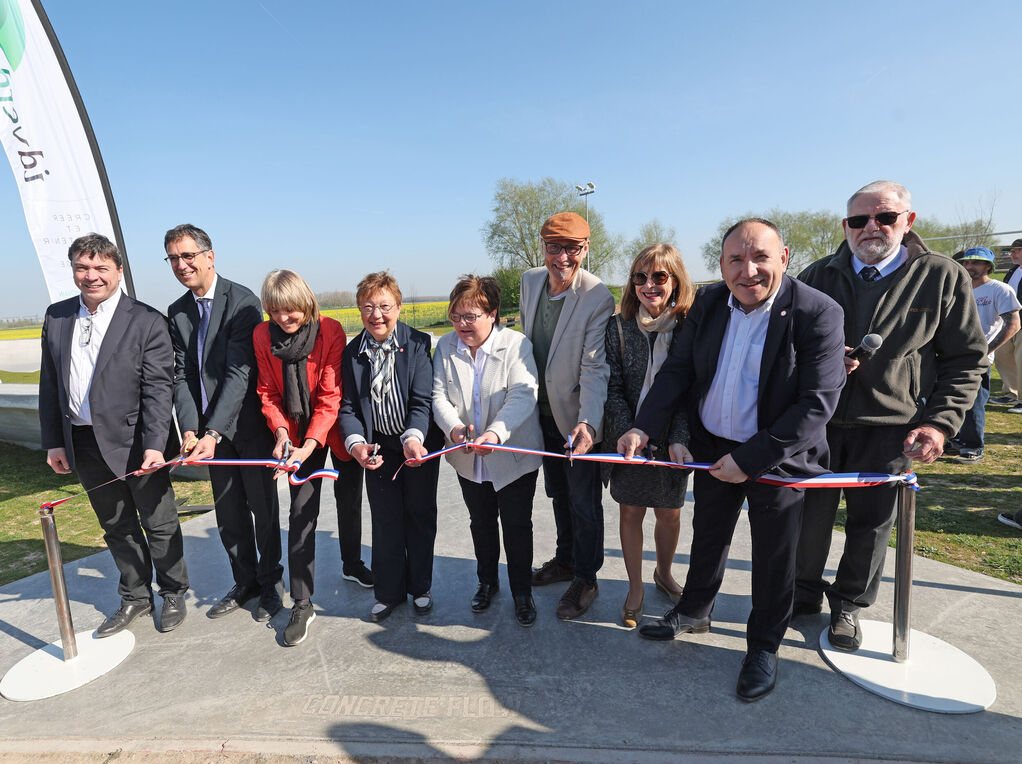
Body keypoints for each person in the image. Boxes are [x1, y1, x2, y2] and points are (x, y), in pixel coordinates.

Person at [618, 219, 845, 701]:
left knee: (772, 556)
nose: (748, 270)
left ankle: (763, 645)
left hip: (779, 459)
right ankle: (695, 609)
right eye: (736, 260)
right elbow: (678, 371)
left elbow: (817, 403)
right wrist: (642, 425)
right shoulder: (706, 302)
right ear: (721, 264)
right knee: (709, 535)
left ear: (784, 256)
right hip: (714, 448)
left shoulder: (817, 313)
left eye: (760, 257)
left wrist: (751, 459)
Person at [794, 181, 987, 652]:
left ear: (909, 221)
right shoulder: (816, 275)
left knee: (872, 525)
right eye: (859, 220)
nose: (871, 228)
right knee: (806, 519)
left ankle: (848, 605)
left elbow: (967, 360)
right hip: (818, 423)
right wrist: (817, 364)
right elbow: (786, 350)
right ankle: (799, 595)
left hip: (891, 429)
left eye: (885, 217)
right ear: (846, 226)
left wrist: (939, 423)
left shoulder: (942, 276)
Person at [39, 233, 189, 637]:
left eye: (101, 268)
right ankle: (136, 596)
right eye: (83, 268)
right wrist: (55, 440)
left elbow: (159, 390)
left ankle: (173, 591)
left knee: (158, 521)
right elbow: (50, 384)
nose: (92, 276)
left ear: (118, 272)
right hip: (83, 440)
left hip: (138, 441)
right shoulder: (56, 317)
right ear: (73, 271)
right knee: (115, 523)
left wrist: (156, 445)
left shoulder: (145, 320)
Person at [165, 224, 284, 623]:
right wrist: (189, 430)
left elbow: (238, 373)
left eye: (188, 256)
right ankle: (245, 581)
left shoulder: (243, 302)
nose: (182, 265)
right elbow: (180, 375)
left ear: (209, 256)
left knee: (262, 511)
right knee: (228, 513)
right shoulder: (178, 311)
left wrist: (213, 431)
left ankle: (271, 584)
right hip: (206, 434)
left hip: (246, 429)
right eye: (174, 258)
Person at [253, 270, 369, 646]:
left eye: (292, 310)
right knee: (301, 512)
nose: (285, 319)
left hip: (335, 431)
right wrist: (283, 433)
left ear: (306, 304)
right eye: (275, 311)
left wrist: (313, 440)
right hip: (294, 437)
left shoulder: (330, 331)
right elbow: (267, 392)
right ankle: (302, 601)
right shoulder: (261, 336)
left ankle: (352, 564)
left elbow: (330, 395)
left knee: (349, 502)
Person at [432, 275, 543, 627]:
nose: (462, 324)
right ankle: (487, 582)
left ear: (493, 314)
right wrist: (454, 428)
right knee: (480, 522)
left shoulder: (516, 345)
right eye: (456, 316)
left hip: (512, 456)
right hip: (467, 457)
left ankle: (522, 592)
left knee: (516, 525)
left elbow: (523, 394)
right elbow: (438, 397)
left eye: (471, 316)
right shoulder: (446, 348)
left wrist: (495, 434)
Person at [521, 212, 615, 620]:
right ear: (542, 246)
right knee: (558, 493)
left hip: (576, 419)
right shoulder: (529, 281)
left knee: (583, 501)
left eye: (572, 248)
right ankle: (565, 559)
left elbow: (596, 367)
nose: (562, 257)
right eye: (554, 247)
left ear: (586, 248)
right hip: (537, 414)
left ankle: (587, 578)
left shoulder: (597, 297)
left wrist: (589, 422)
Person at [339, 271, 443, 622]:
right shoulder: (353, 353)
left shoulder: (417, 344)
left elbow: (421, 401)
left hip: (416, 442)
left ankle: (420, 587)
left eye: (384, 306)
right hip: (378, 447)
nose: (376, 315)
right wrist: (356, 445)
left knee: (420, 515)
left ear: (398, 308)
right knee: (385, 520)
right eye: (368, 307)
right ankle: (388, 592)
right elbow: (349, 407)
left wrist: (414, 437)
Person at [602, 243, 695, 627]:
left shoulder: (691, 325)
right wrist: (628, 432)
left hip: (675, 439)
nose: (649, 285)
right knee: (631, 511)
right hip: (628, 441)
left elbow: (694, 388)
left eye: (659, 276)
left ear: (675, 280)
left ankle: (664, 572)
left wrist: (678, 435)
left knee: (670, 513)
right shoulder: (619, 325)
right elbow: (612, 386)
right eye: (640, 277)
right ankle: (636, 587)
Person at [949, 248, 1020, 463]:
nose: (970, 267)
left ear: (988, 266)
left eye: (976, 263)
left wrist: (987, 350)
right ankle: (956, 439)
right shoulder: (956, 288)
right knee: (948, 399)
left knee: (973, 403)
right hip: (950, 354)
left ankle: (973, 447)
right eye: (967, 263)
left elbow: (1013, 323)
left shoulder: (999, 289)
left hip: (977, 358)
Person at [992, 239, 1022, 413]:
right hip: (1007, 323)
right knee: (1004, 358)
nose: (1013, 254)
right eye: (1011, 251)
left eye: (1017, 251)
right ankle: (1010, 393)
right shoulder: (1013, 271)